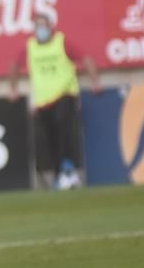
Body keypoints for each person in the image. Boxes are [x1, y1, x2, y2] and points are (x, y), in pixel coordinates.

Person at [9, 12, 100, 191]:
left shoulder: (62, 42)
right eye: (37, 26)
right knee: (50, 138)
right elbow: (14, 65)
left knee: (63, 128)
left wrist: (94, 81)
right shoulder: (30, 47)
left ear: (51, 26)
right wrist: (13, 88)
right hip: (43, 101)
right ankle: (61, 174)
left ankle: (69, 168)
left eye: (44, 25)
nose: (41, 30)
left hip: (65, 94)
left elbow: (86, 59)